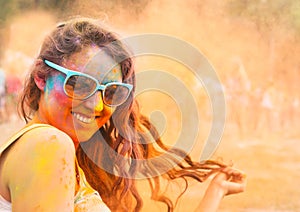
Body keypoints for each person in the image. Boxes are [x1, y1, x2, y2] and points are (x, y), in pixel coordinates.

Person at [0, 17, 246, 211]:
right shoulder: (48, 145)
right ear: (41, 77)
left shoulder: (52, 152)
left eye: (111, 92)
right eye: (80, 84)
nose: (97, 106)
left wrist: (216, 192)